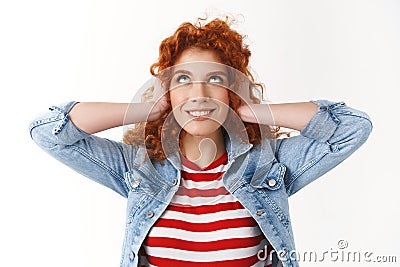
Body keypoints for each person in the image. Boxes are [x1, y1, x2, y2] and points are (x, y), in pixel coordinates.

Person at [29, 16, 373, 267]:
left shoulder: (270, 165)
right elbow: (49, 131)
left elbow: (351, 127)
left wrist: (252, 110)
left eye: (214, 79)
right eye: (182, 80)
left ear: (231, 89)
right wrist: (145, 109)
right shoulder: (138, 169)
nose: (199, 94)